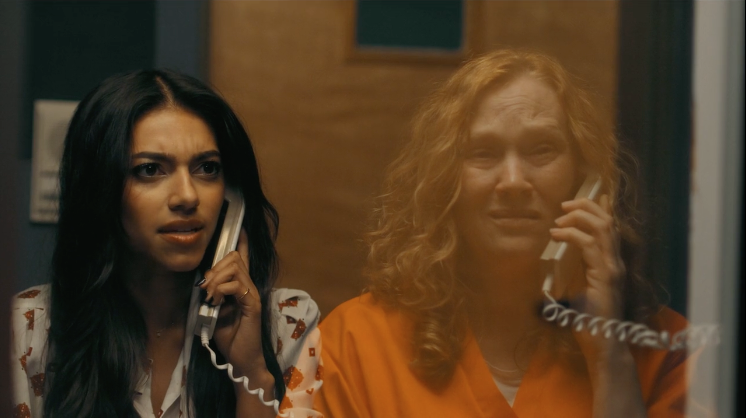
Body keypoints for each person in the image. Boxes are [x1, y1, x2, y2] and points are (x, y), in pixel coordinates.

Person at [315, 49, 692, 417]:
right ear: (444, 181)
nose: (513, 182)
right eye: (483, 152)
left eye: (541, 149)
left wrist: (611, 361)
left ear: (584, 179)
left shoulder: (669, 353)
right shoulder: (353, 344)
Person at [10, 70, 322, 418]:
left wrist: (252, 373)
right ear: (100, 190)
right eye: (150, 170)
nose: (187, 196)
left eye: (207, 168)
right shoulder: (28, 331)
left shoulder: (286, 324)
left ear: (231, 196)